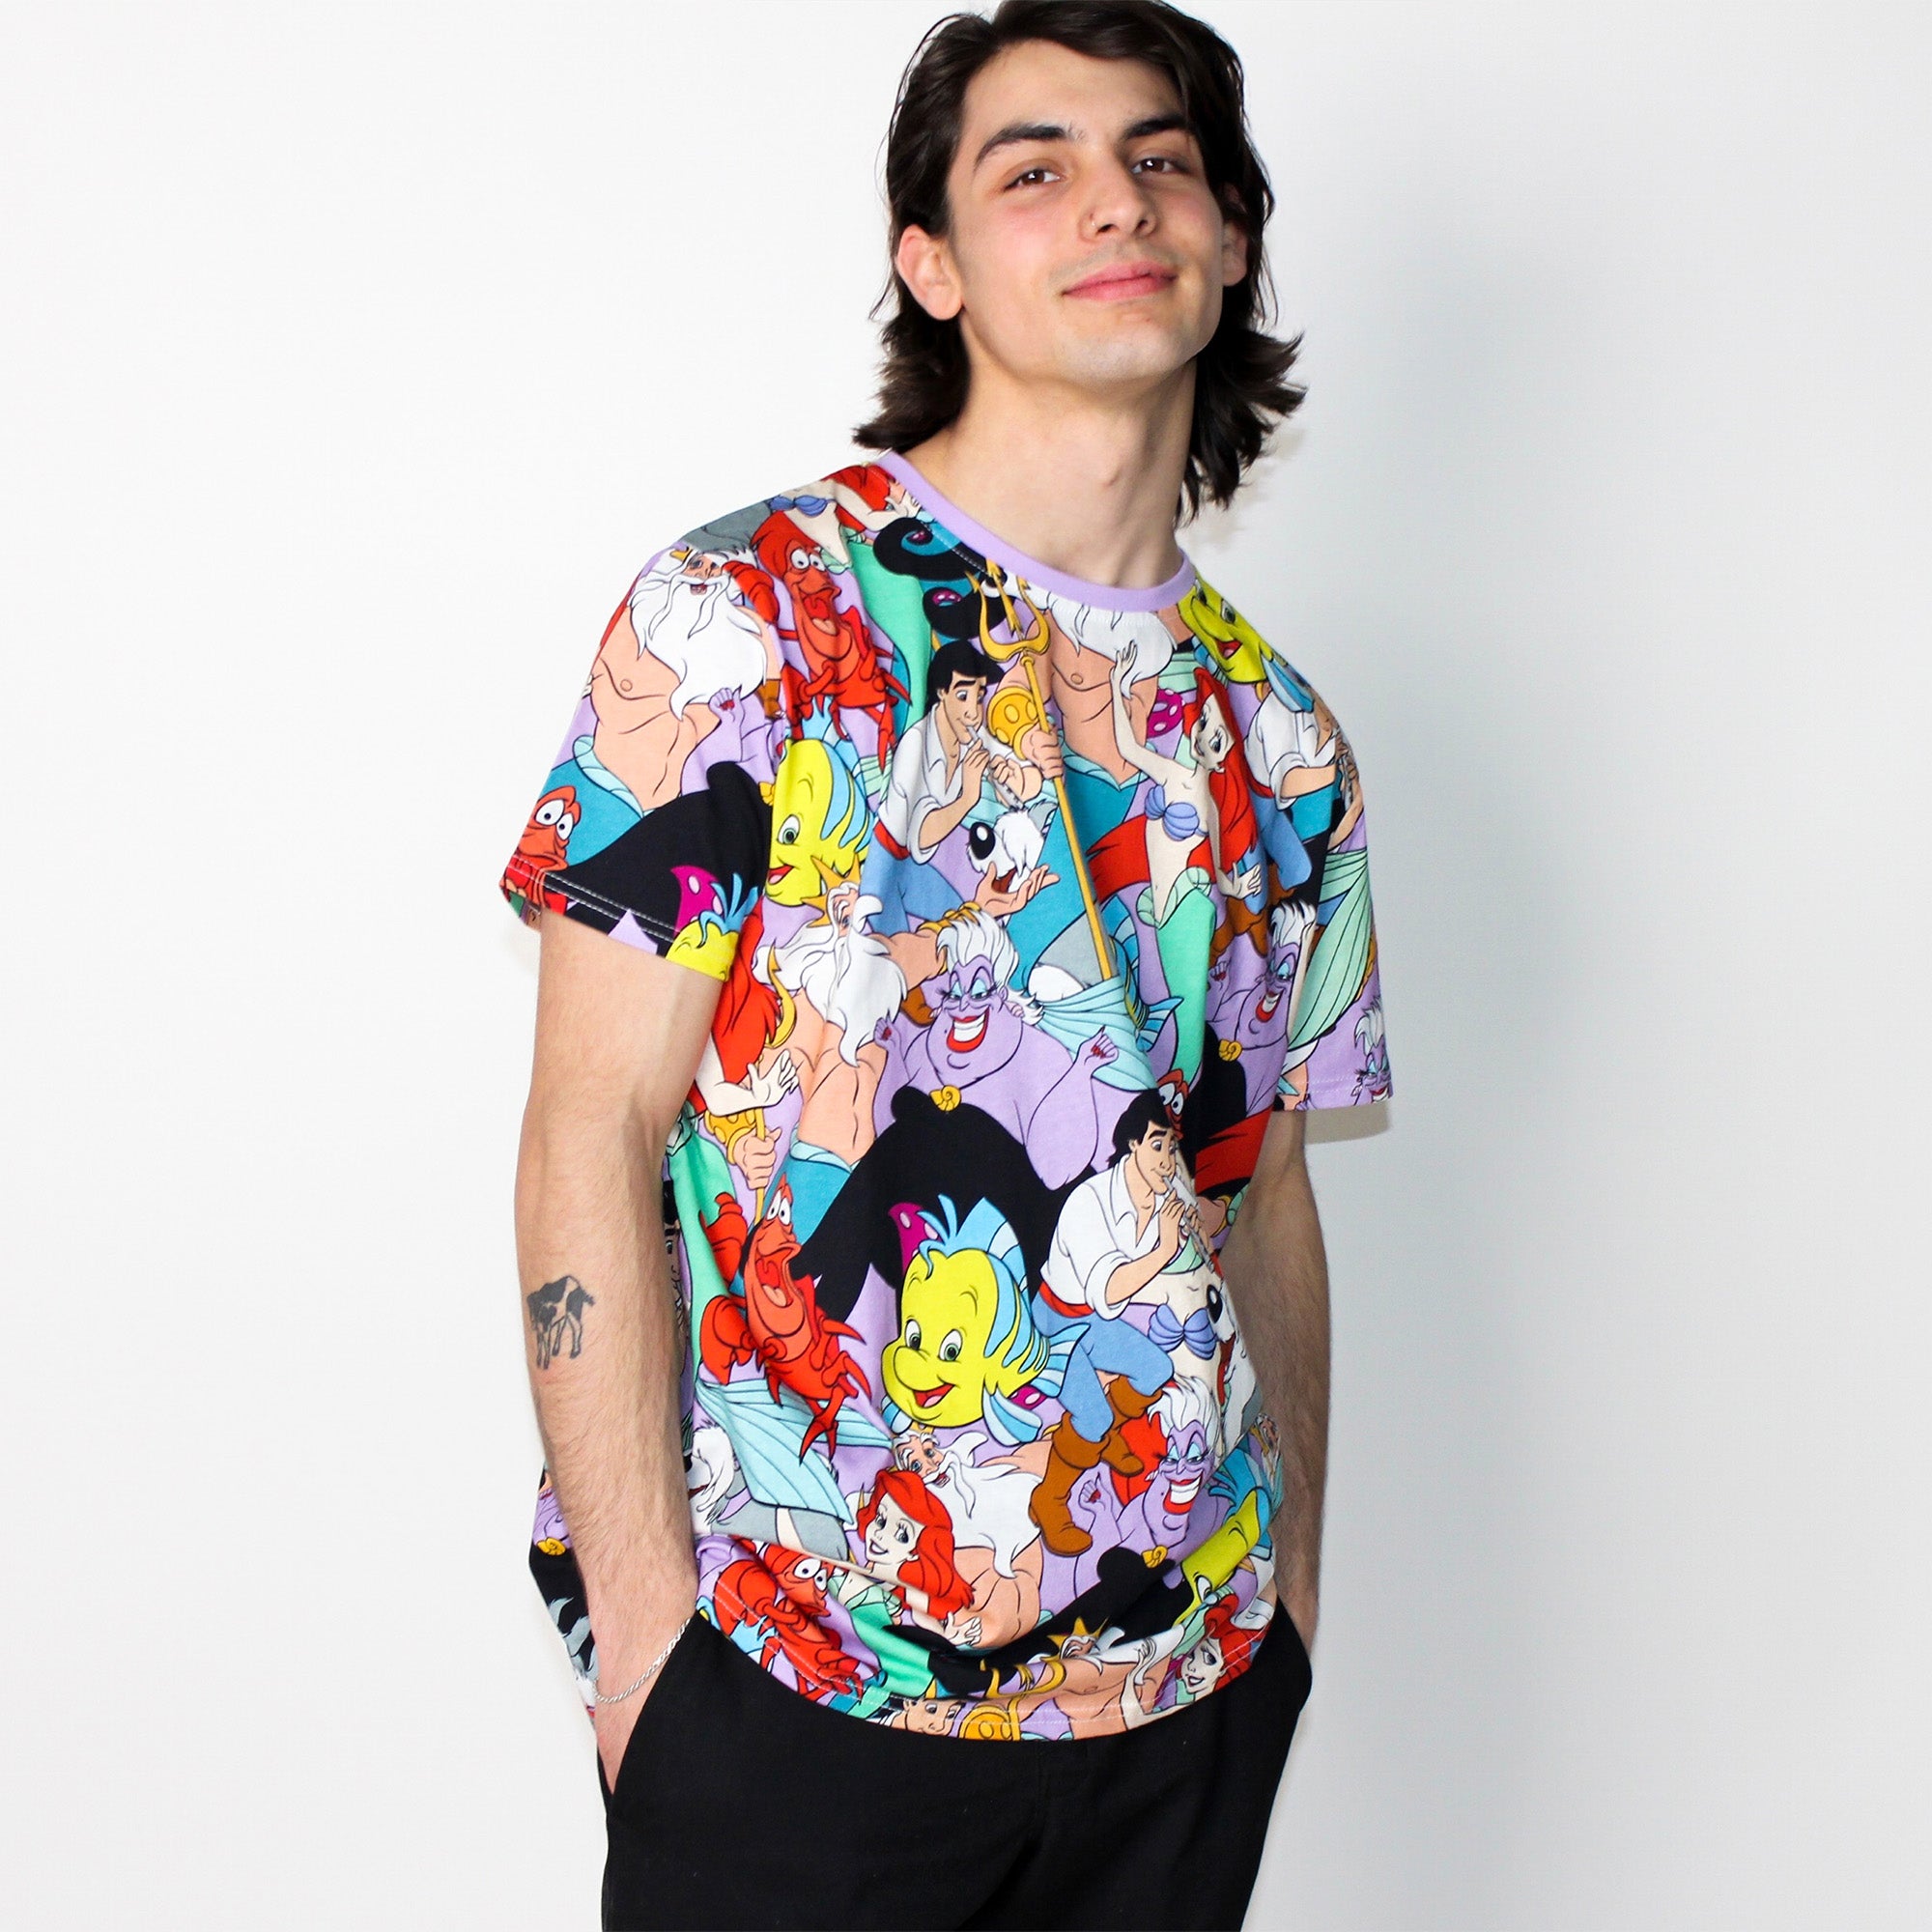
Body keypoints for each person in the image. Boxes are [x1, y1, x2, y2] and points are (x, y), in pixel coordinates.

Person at [502, 4, 1391, 1926]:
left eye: (1163, 160)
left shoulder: (1282, 737)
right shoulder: (745, 614)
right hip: (797, 1695)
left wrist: (1291, 1613)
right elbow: (591, 1124)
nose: (1116, 202)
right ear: (933, 264)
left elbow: (1266, 1192)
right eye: (1034, 168)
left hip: (1185, 1698)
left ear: (1230, 237)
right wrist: (648, 1650)